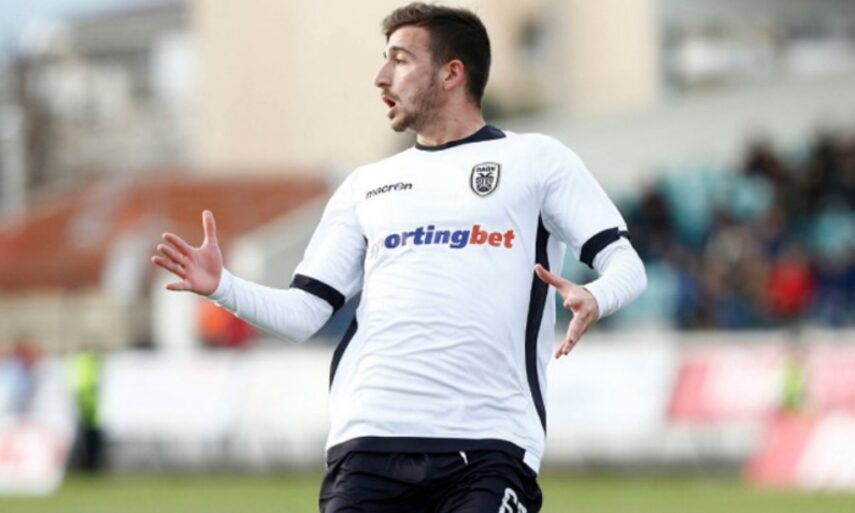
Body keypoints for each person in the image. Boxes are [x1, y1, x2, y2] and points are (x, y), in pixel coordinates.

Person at [151, 3, 646, 512]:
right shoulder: (366, 186)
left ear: (452, 73)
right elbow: (303, 314)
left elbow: (626, 264)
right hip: (369, 443)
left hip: (490, 444)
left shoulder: (536, 160)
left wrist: (597, 295)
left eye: (400, 60)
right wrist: (223, 286)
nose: (380, 76)